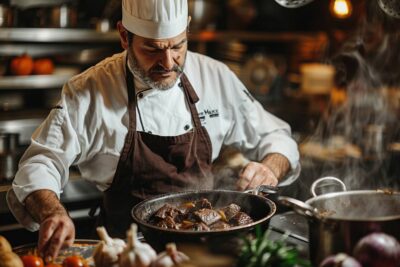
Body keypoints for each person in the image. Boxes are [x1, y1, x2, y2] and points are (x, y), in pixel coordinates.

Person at [7, 0, 300, 261]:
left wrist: (270, 166)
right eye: (152, 49)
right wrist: (52, 212)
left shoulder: (216, 77)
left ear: (186, 30)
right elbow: (41, 162)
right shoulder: (89, 90)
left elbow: (275, 137)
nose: (168, 62)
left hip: (208, 253)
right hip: (128, 252)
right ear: (124, 36)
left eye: (178, 46)